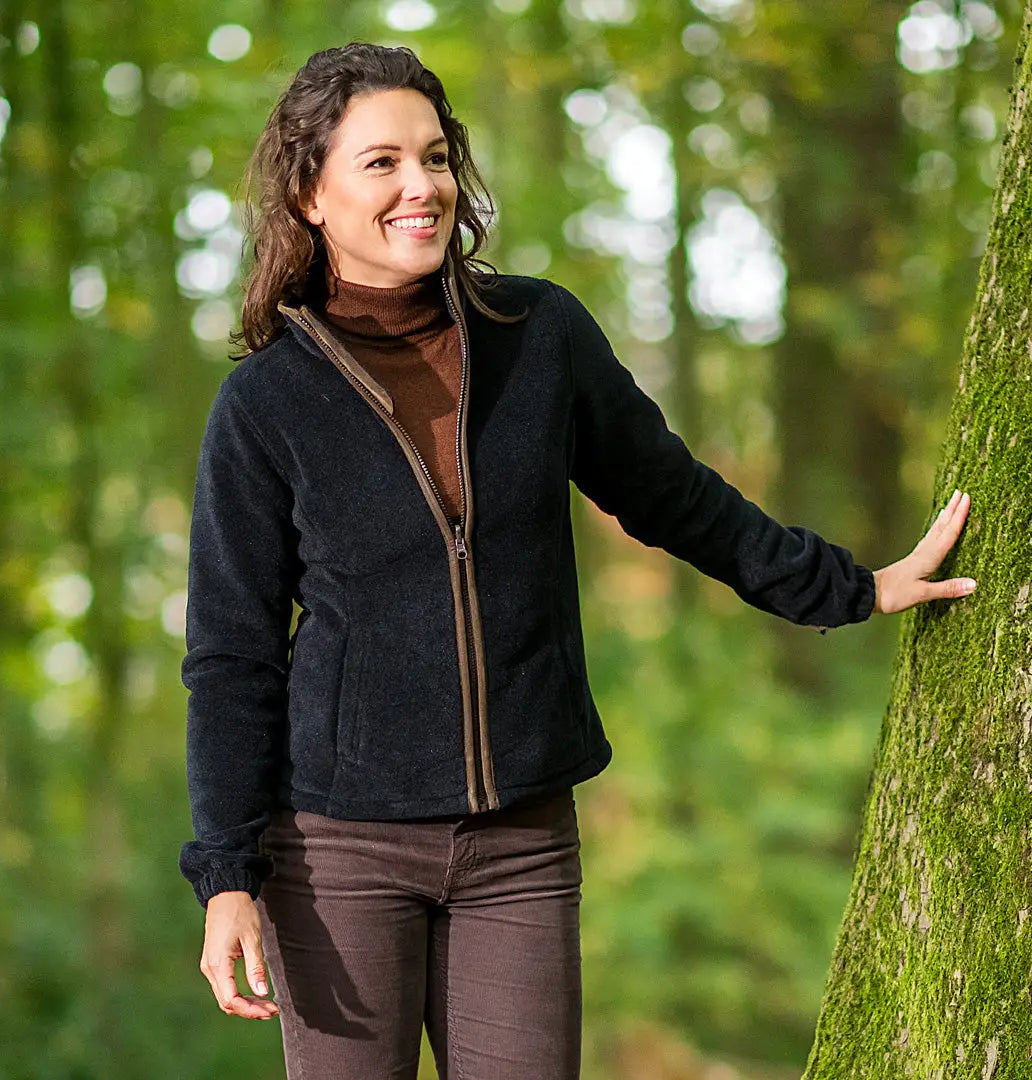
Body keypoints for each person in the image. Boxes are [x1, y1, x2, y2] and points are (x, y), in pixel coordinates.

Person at [178, 41, 976, 1080]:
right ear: (309, 192)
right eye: (381, 163)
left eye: (435, 155)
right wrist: (228, 873)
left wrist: (853, 586)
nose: (422, 186)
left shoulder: (535, 336)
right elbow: (232, 653)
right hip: (339, 853)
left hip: (520, 846)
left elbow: (674, 497)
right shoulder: (267, 403)